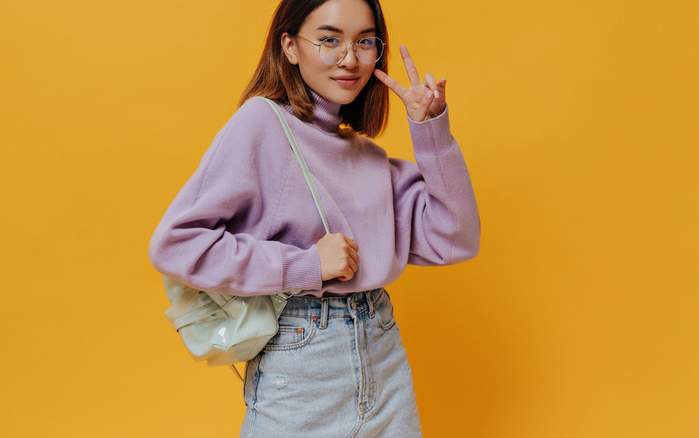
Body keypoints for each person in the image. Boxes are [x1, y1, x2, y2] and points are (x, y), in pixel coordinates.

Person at [149, 0, 480, 435]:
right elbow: (176, 244)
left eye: (365, 41)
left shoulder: (370, 158)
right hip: (302, 365)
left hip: (384, 357)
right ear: (289, 46)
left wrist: (431, 129)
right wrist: (305, 265)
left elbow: (455, 238)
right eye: (329, 39)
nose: (350, 58)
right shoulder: (262, 124)